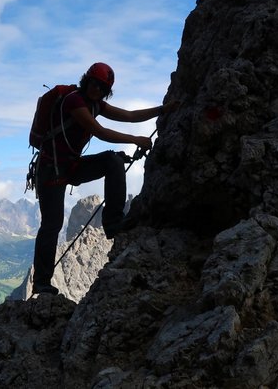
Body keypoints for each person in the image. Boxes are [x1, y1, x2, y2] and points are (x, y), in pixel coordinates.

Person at [32, 62, 177, 296]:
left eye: (101, 87)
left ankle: (113, 223)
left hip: (70, 165)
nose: (96, 89)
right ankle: (41, 282)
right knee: (52, 224)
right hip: (51, 169)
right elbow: (100, 132)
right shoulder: (74, 102)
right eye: (94, 84)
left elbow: (129, 116)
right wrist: (135, 140)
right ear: (86, 81)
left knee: (113, 161)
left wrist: (163, 110)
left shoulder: (95, 104)